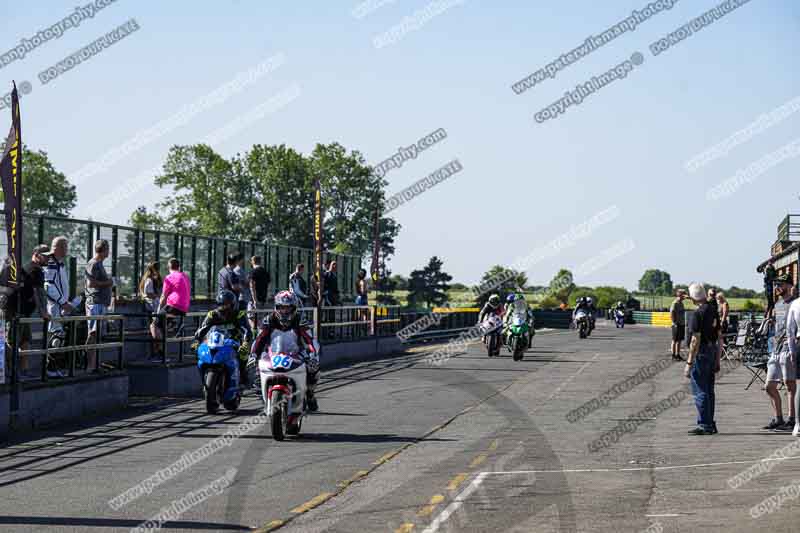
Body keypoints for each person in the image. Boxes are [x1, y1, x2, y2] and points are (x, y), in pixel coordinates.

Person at [249, 290, 320, 411]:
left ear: (294, 308)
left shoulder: (299, 319)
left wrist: (313, 354)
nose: (285, 311)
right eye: (281, 308)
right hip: (272, 352)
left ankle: (310, 394)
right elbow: (260, 339)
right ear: (276, 307)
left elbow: (309, 339)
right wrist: (254, 355)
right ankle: (264, 397)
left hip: (296, 352)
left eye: (288, 308)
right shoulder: (268, 320)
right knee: (256, 372)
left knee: (313, 369)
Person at [4, 245, 51, 379]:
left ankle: (22, 371)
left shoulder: (30, 268)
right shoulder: (35, 270)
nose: (48, 258)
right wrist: (43, 312)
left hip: (22, 312)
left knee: (24, 342)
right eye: (45, 255)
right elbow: (37, 293)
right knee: (12, 343)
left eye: (49, 255)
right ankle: (12, 372)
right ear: (36, 254)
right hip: (15, 313)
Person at [194, 289, 253, 385]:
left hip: (234, 342)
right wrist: (196, 341)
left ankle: (242, 375)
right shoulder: (212, 315)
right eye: (221, 305)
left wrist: (246, 343)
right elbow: (202, 329)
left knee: (243, 354)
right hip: (215, 342)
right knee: (199, 354)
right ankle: (204, 379)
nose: (224, 308)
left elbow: (247, 330)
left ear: (233, 305)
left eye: (227, 305)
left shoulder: (239, 315)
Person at [684, 282, 720, 435]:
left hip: (701, 352)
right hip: (712, 350)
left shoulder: (697, 314)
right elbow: (719, 336)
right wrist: (718, 359)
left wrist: (689, 362)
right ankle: (710, 423)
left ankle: (704, 424)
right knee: (709, 389)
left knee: (700, 389)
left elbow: (695, 340)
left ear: (692, 298)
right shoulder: (713, 310)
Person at [763, 274, 796, 431]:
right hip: (775, 349)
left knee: (790, 385)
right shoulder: (777, 304)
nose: (777, 287)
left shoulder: (795, 304)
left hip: (788, 348)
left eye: (780, 284)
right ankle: (778, 418)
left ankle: (792, 419)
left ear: (789, 285)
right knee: (769, 386)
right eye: (776, 284)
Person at [44, 236, 72, 378]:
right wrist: (63, 302)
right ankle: (50, 369)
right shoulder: (51, 263)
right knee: (57, 336)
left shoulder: (59, 263)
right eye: (65, 247)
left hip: (60, 306)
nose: (67, 250)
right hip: (54, 307)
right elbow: (48, 286)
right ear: (59, 248)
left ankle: (53, 368)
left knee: (59, 336)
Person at [85, 239, 114, 373]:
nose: (109, 252)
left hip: (101, 304)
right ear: (104, 250)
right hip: (95, 303)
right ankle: (90, 365)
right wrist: (108, 283)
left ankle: (96, 363)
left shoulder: (100, 264)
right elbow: (91, 284)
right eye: (108, 249)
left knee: (98, 335)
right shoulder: (94, 263)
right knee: (93, 333)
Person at [154, 258, 191, 355]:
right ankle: (174, 325)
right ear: (179, 267)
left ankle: (160, 350)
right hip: (184, 307)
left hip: (174, 306)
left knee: (154, 325)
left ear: (168, 267)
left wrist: (158, 312)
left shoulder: (169, 277)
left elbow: (163, 296)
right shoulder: (185, 276)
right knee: (163, 323)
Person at [140, 262, 163, 356]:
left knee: (156, 327)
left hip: (154, 306)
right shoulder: (149, 280)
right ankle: (159, 348)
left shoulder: (151, 279)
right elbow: (148, 293)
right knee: (155, 326)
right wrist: (158, 296)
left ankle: (158, 348)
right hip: (152, 306)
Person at [248, 256, 271, 330]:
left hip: (254, 300)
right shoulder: (265, 272)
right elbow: (269, 286)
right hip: (263, 300)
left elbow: (252, 286)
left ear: (253, 262)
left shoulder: (253, 272)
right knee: (261, 319)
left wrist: (254, 300)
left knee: (251, 317)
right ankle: (260, 333)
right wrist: (267, 298)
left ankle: (256, 333)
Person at [670, 289, 687, 360]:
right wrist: (674, 322)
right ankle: (673, 355)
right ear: (680, 295)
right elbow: (672, 313)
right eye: (684, 294)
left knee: (679, 340)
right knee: (675, 340)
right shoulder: (675, 303)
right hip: (677, 324)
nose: (685, 296)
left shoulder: (681, 303)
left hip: (681, 323)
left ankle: (678, 354)